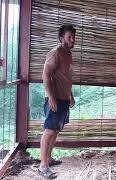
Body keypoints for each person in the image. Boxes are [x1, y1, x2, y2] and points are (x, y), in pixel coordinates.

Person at [38, 24, 76, 179]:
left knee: (56, 130)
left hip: (64, 98)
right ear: (62, 38)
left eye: (74, 37)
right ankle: (42, 167)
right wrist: (51, 97)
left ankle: (48, 159)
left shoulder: (68, 54)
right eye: (69, 37)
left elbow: (66, 78)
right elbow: (45, 75)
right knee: (49, 131)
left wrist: (70, 95)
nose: (73, 40)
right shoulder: (55, 53)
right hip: (55, 99)